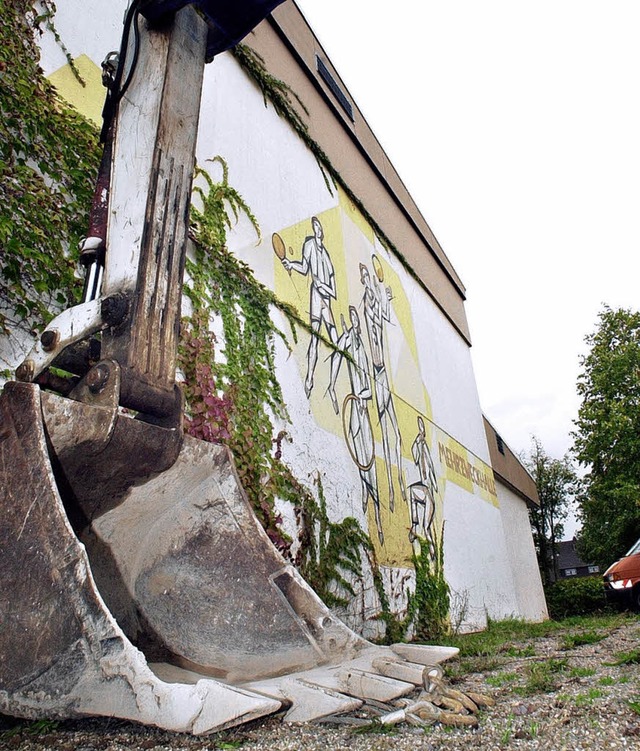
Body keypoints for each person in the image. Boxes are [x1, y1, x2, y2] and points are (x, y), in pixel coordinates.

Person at [328, 307, 384, 544]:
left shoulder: (364, 349)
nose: (353, 322)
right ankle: (364, 504)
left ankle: (378, 518)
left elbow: (371, 387)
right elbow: (336, 350)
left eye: (354, 319)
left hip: (363, 410)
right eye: (350, 319)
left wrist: (363, 397)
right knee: (360, 461)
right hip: (355, 411)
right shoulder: (350, 339)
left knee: (368, 463)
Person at [359, 260, 406, 510]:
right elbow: (377, 319)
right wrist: (381, 297)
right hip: (376, 373)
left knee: (396, 433)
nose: (367, 280)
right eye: (365, 277)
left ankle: (398, 480)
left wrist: (386, 297)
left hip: (385, 372)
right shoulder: (367, 304)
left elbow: (386, 317)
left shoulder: (375, 302)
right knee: (387, 438)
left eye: (368, 276)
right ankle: (389, 488)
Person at [282, 217, 337, 397]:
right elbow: (305, 268)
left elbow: (334, 290)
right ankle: (309, 379)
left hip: (325, 299)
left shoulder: (327, 256)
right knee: (314, 338)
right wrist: (290, 263)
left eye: (318, 226)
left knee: (336, 344)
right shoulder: (310, 245)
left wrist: (325, 287)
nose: (316, 229)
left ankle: (332, 385)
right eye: (314, 226)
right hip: (316, 296)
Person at [408, 416, 438, 558]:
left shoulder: (425, 449)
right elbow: (414, 454)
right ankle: (414, 525)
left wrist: (435, 485)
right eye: (419, 429)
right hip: (423, 490)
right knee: (411, 491)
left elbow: (431, 468)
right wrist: (416, 440)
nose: (421, 432)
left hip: (429, 496)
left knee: (427, 528)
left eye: (422, 430)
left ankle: (432, 551)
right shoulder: (419, 446)